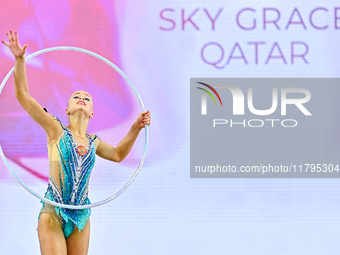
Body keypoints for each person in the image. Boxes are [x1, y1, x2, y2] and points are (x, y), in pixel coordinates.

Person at [1, 29, 151, 255]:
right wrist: (20, 60)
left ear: (92, 112)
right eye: (76, 96)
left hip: (81, 216)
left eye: (87, 98)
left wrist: (135, 127)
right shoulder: (55, 129)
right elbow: (23, 96)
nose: (82, 97)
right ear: (67, 109)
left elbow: (119, 155)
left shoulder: (95, 142)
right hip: (53, 212)